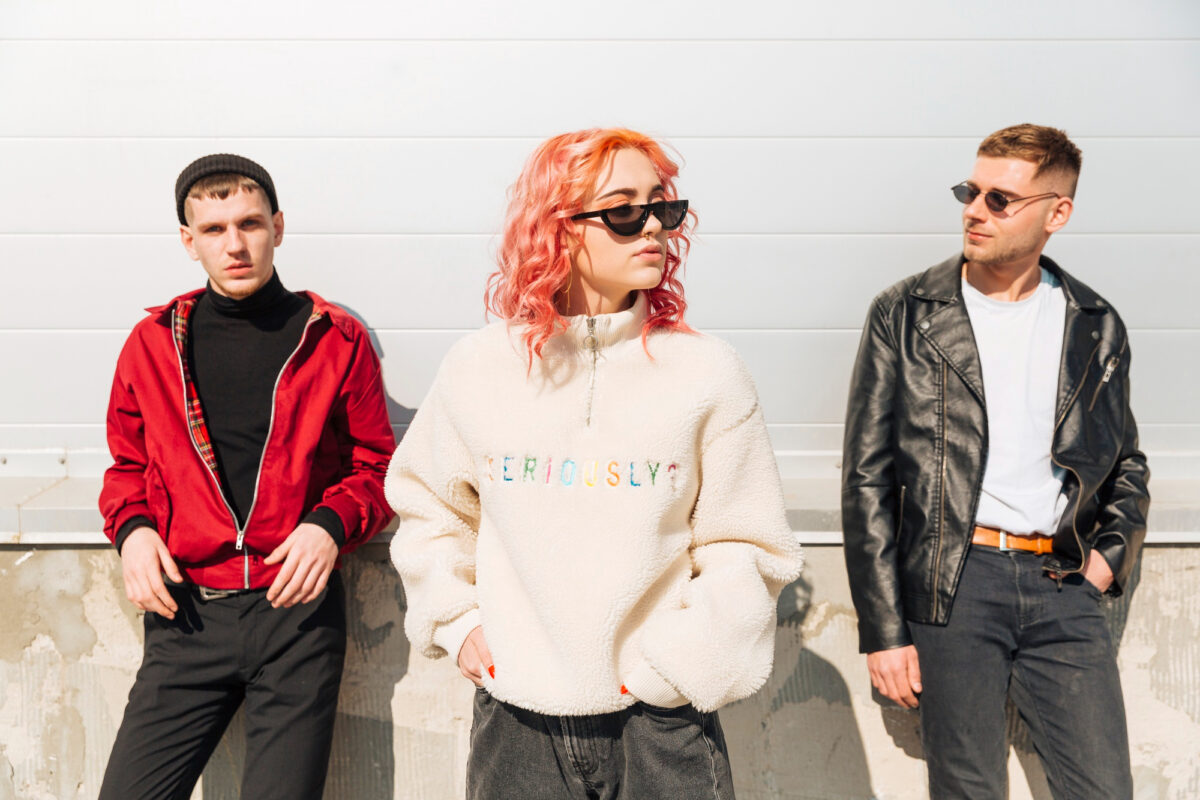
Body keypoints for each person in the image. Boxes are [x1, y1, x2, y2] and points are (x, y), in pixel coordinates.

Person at [386, 128, 804, 799]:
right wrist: (457, 622)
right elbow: (429, 508)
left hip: (661, 724)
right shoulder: (479, 368)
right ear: (558, 228)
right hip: (517, 722)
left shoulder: (706, 373)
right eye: (623, 211)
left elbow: (746, 544)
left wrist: (678, 668)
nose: (653, 227)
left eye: (661, 206)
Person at [841, 123, 1150, 799]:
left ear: (1056, 213)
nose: (975, 211)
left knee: (1103, 788)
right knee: (967, 788)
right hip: (956, 581)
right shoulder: (906, 313)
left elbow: (1125, 460)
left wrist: (1105, 562)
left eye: (1000, 199)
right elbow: (867, 478)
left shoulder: (1093, 322)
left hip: (1063, 581)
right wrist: (884, 630)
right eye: (970, 191)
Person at [98, 153, 395, 800]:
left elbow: (375, 467)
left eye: (250, 224)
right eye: (214, 229)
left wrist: (328, 525)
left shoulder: (334, 339)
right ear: (189, 241)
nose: (234, 245)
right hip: (186, 616)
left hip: (295, 618)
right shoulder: (152, 343)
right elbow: (127, 466)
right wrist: (133, 531)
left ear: (277, 227)